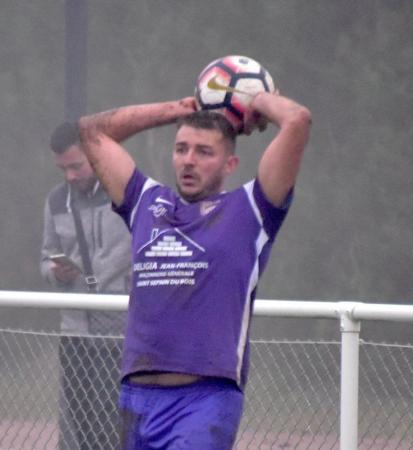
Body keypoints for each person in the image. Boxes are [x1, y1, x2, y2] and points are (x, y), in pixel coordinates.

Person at [77, 91, 311, 449]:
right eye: (181, 148)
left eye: (204, 152)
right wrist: (174, 110)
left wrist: (256, 101)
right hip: (136, 397)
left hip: (204, 401)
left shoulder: (250, 209)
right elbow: (91, 132)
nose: (189, 160)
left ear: (229, 164)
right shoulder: (146, 202)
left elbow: (297, 121)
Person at [40, 122, 132, 450]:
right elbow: (45, 258)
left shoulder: (128, 192)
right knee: (81, 425)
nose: (69, 176)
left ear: (94, 155)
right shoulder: (54, 201)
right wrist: (56, 273)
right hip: (74, 330)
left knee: (114, 424)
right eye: (62, 168)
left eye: (76, 166)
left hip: (121, 330)